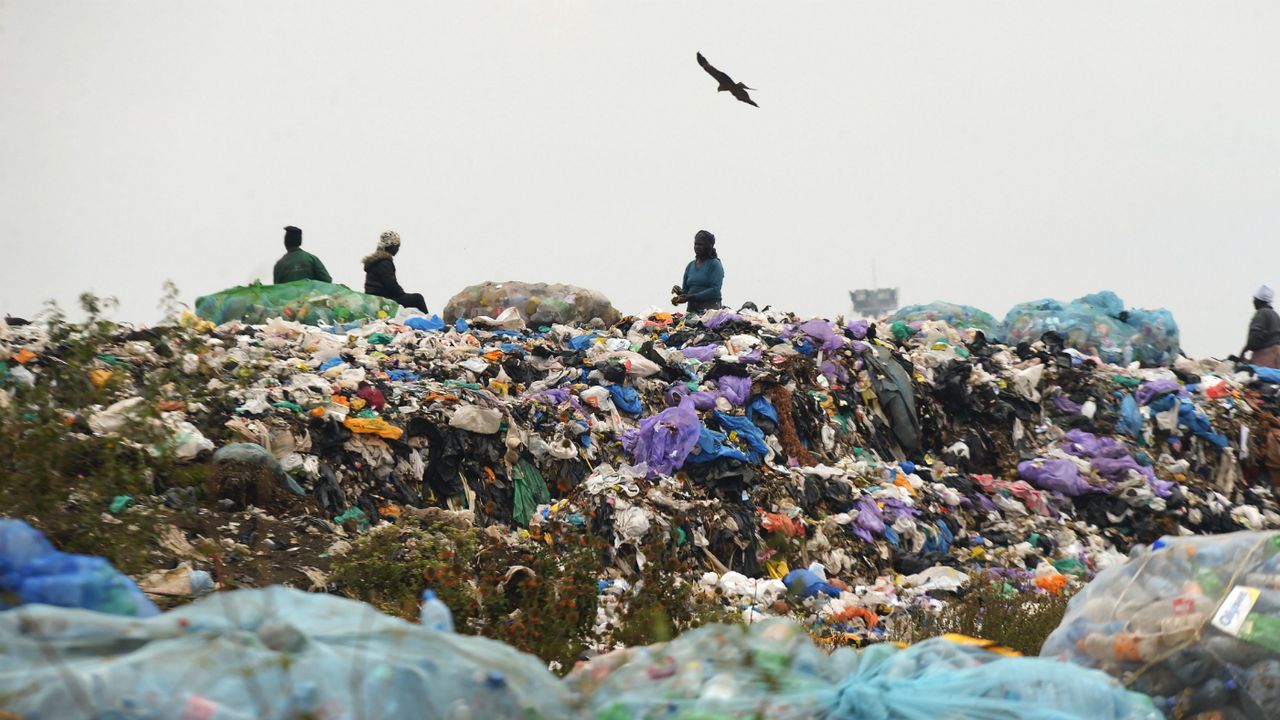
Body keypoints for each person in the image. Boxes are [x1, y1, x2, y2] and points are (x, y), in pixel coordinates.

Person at [362, 230, 428, 313]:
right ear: (391, 246)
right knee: (417, 298)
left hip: (374, 299)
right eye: (397, 246)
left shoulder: (375, 262)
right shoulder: (384, 262)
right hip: (383, 300)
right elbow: (391, 284)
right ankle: (429, 322)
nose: (397, 249)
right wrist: (402, 294)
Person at [671, 229, 724, 314]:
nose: (697, 247)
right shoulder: (690, 266)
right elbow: (686, 292)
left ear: (708, 246)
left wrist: (691, 297)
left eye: (700, 244)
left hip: (710, 311)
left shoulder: (715, 264)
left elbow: (715, 290)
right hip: (692, 312)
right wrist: (680, 293)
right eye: (695, 244)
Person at [1243, 285, 1280, 368]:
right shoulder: (1275, 315)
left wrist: (1244, 351)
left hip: (1265, 357)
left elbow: (1255, 337)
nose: (1253, 301)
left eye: (1255, 299)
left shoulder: (1261, 313)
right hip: (1276, 358)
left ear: (1260, 301)